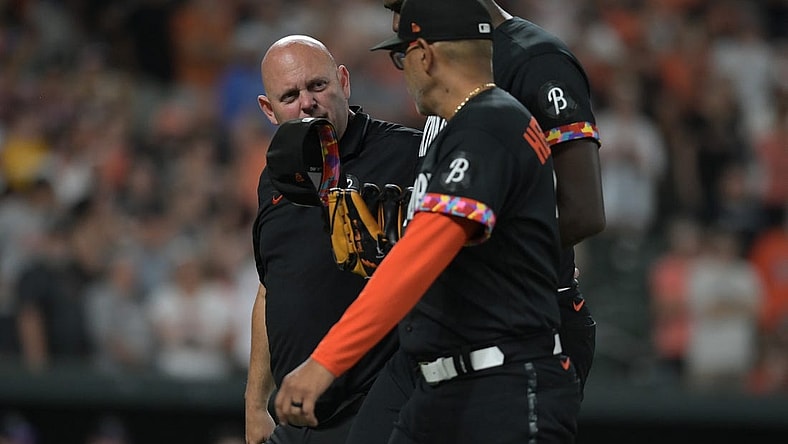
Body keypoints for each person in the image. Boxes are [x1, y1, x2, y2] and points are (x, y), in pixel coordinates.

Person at [273, 1, 581, 442]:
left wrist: (326, 362)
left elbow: (423, 254)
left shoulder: (487, 127)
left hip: (502, 388)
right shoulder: (464, 128)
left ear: (424, 55)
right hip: (447, 386)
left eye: (401, 57)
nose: (402, 72)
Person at [245, 35, 422, 444]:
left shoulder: (410, 155)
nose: (306, 102)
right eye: (289, 95)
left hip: (381, 410)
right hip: (296, 419)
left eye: (317, 86)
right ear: (269, 110)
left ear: (344, 82)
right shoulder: (275, 178)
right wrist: (256, 404)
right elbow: (272, 289)